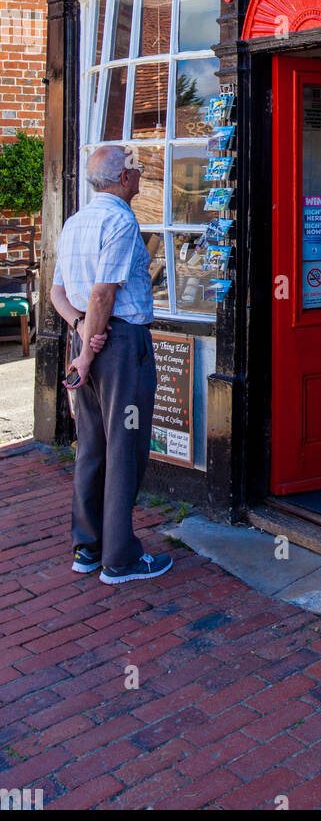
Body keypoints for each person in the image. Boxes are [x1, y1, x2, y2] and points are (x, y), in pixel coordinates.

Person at [50, 145, 172, 585]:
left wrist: (81, 329)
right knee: (125, 447)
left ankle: (87, 548)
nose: (140, 174)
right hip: (119, 346)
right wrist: (88, 348)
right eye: (136, 168)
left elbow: (58, 295)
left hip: (88, 337)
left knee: (92, 446)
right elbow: (104, 293)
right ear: (122, 179)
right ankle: (119, 559)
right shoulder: (120, 219)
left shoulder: (75, 221)